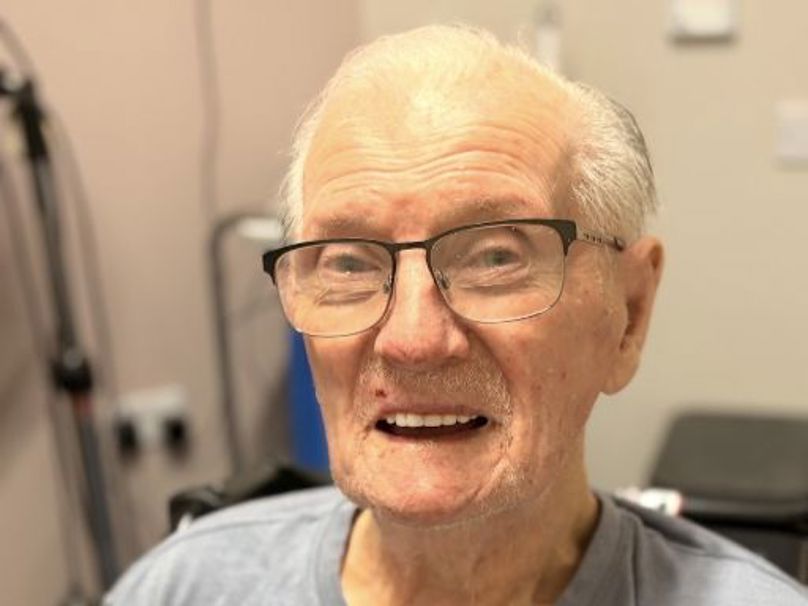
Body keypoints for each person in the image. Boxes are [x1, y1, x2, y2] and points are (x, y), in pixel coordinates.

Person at [106, 25, 807, 605]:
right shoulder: (185, 587)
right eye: (348, 262)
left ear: (627, 313)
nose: (413, 340)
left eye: (495, 258)